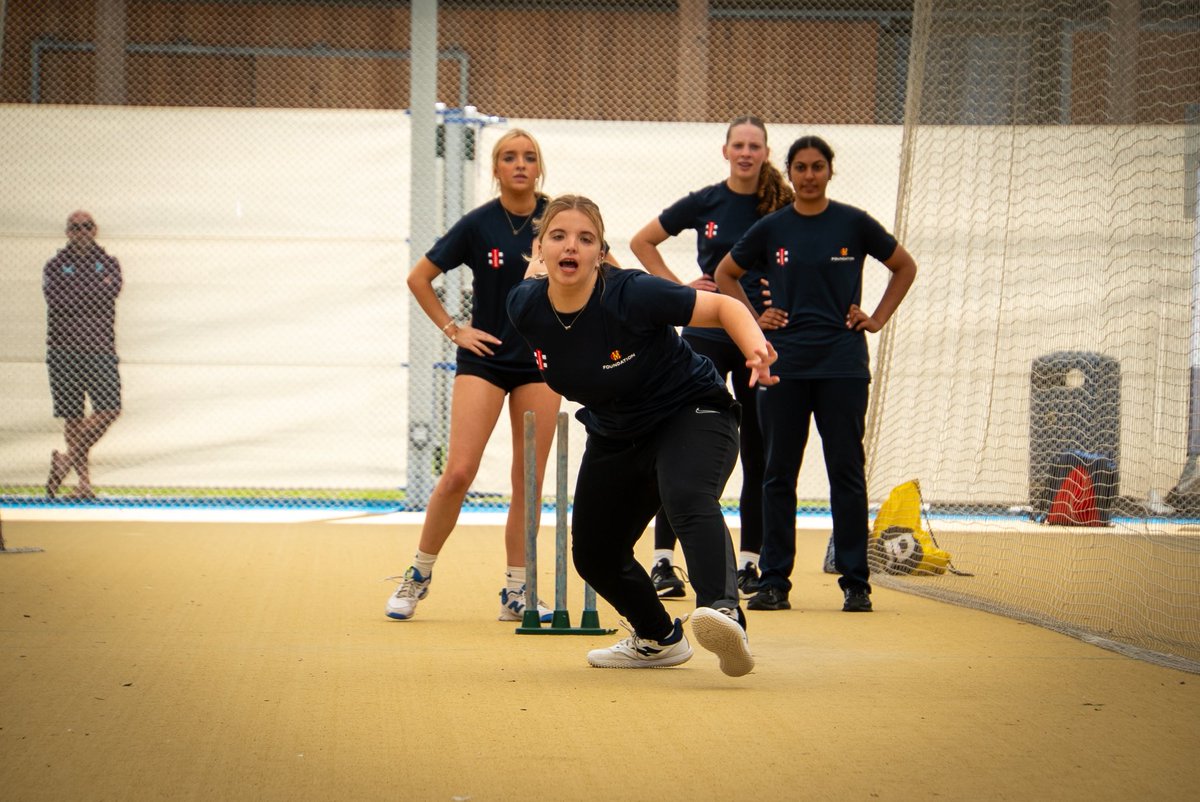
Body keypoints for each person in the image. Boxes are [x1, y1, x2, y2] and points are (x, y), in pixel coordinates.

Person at [507, 194, 777, 676]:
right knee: (594, 551)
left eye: (585, 238)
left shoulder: (633, 293)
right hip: (616, 431)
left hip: (692, 410)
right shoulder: (524, 306)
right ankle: (658, 637)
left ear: (600, 253)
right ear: (541, 249)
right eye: (559, 236)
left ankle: (724, 613)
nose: (572, 246)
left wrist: (757, 349)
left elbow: (722, 309)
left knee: (686, 496)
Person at [716, 134, 916, 614]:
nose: (809, 175)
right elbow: (726, 274)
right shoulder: (772, 227)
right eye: (800, 168)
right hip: (785, 367)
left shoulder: (854, 223)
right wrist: (755, 321)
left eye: (817, 167)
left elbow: (904, 267)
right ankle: (775, 581)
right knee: (777, 473)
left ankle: (855, 581)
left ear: (829, 171)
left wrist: (877, 318)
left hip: (843, 366)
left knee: (846, 471)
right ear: (790, 173)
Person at [386, 129, 560, 623]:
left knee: (529, 480)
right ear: (496, 169)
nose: (520, 164)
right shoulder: (479, 224)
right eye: (509, 157)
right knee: (459, 471)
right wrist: (454, 329)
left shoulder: (559, 218)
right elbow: (419, 277)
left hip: (542, 363)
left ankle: (517, 592)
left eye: (529, 157)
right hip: (484, 358)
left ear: (540, 167)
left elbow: (605, 268)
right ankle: (417, 575)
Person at [629, 115, 793, 600]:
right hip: (704, 330)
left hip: (753, 336)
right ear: (725, 152)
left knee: (758, 443)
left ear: (765, 154)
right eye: (738, 145)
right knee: (678, 436)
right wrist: (679, 286)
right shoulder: (706, 201)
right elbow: (643, 242)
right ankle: (663, 561)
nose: (746, 152)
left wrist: (771, 309)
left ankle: (750, 562)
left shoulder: (780, 207)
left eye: (755, 146)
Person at [43, 210, 123, 500]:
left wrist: (78, 293)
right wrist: (90, 292)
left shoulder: (109, 264)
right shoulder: (54, 266)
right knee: (73, 417)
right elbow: (58, 300)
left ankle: (64, 459)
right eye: (75, 227)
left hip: (100, 348)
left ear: (95, 229)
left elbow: (109, 293)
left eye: (87, 226)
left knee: (109, 409)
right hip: (63, 350)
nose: (81, 231)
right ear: (68, 232)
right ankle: (83, 485)